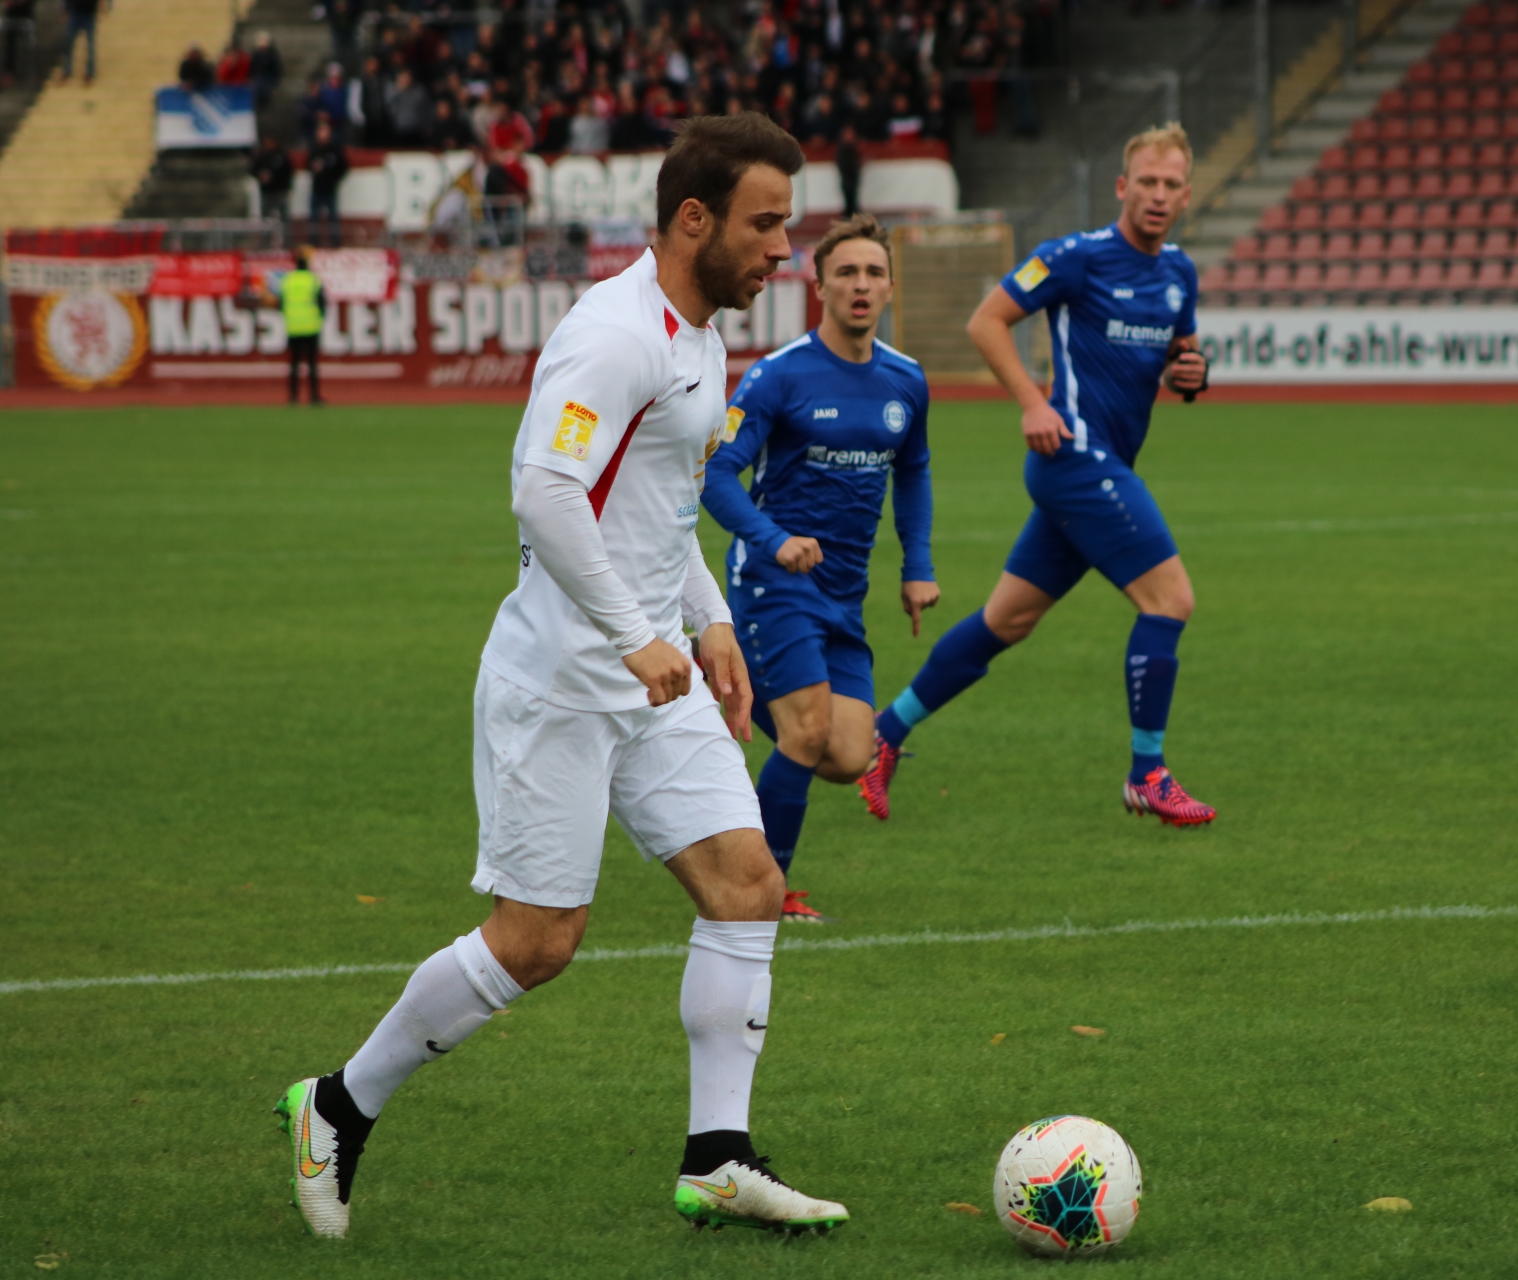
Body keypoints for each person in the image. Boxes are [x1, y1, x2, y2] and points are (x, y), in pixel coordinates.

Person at [273, 113, 851, 1241]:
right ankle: (336, 1104)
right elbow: (545, 492)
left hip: (656, 679)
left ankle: (718, 1158)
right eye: (766, 224)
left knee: (748, 883)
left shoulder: (700, 337)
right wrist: (638, 634)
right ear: (696, 220)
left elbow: (661, 505)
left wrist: (709, 619)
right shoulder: (613, 334)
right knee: (537, 942)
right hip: (561, 683)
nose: (786, 249)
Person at [861, 124, 1216, 827]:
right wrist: (1032, 402)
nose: (1158, 194)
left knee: (1007, 620)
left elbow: (1185, 357)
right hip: (1074, 458)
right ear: (1122, 187)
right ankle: (1147, 774)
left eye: (1171, 185)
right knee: (1171, 600)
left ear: (1185, 197)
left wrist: (1194, 375)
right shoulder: (1075, 257)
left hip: (1101, 469)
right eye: (1147, 181)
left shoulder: (1179, 273)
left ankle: (883, 734)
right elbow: (986, 321)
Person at [701, 215, 936, 925]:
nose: (860, 285)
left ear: (890, 287)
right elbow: (716, 475)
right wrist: (773, 540)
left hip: (844, 593)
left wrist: (917, 565)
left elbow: (914, 472)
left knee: (847, 755)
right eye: (846, 273)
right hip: (774, 582)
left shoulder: (906, 380)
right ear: (820, 285)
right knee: (804, 733)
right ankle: (762, 891)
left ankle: (727, 684)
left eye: (873, 273)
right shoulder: (779, 375)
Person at [271, 248, 326, 404]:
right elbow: (322, 303)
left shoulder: (287, 280)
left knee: (294, 364)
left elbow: (281, 303)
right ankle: (314, 396)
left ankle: (293, 396)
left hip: (293, 327)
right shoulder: (313, 279)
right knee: (312, 364)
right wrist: (319, 318)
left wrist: (289, 317)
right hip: (311, 326)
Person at [305, 117, 347, 247]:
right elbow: (307, 166)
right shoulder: (314, 149)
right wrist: (314, 168)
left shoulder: (335, 150)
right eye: (320, 131)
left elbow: (343, 167)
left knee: (333, 217)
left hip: (330, 189)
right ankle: (314, 242)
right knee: (314, 217)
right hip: (317, 188)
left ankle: (335, 242)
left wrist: (335, 178)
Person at [251, 134, 293, 225]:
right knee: (265, 217)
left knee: (284, 217)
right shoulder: (261, 156)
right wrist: (260, 175)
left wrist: (287, 187)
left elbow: (288, 172)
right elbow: (253, 170)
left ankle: (286, 233)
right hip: (267, 192)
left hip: (280, 191)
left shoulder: (281, 156)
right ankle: (265, 234)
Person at [60, 0, 103, 87]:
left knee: (90, 47)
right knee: (69, 44)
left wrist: (99, 11)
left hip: (88, 15)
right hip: (76, 14)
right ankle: (67, 71)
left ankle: (90, 72)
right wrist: (65, 11)